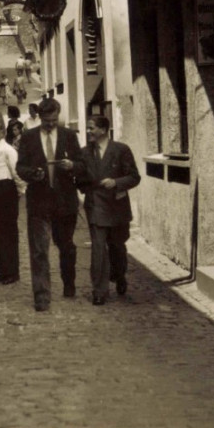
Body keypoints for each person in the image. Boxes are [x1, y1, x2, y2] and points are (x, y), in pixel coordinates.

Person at [16, 98, 82, 311]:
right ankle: (42, 296)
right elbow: (20, 168)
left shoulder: (69, 137)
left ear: (58, 116)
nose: (51, 124)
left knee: (66, 246)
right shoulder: (28, 138)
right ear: (40, 118)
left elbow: (82, 164)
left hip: (65, 202)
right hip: (39, 202)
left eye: (54, 120)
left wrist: (72, 165)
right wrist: (33, 174)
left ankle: (69, 282)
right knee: (39, 250)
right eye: (47, 121)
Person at [76, 115, 140, 305]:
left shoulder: (121, 150)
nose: (88, 132)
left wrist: (116, 182)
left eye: (91, 128)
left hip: (117, 207)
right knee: (98, 249)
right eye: (88, 128)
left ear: (103, 130)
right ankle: (99, 290)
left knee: (117, 246)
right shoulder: (84, 153)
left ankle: (119, 275)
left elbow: (134, 177)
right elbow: (79, 180)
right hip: (95, 205)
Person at [0, 118, 24, 285]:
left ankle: (12, 271)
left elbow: (16, 171)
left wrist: (20, 191)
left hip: (5, 190)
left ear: (2, 132)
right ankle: (1, 269)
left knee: (7, 231)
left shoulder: (8, 150)